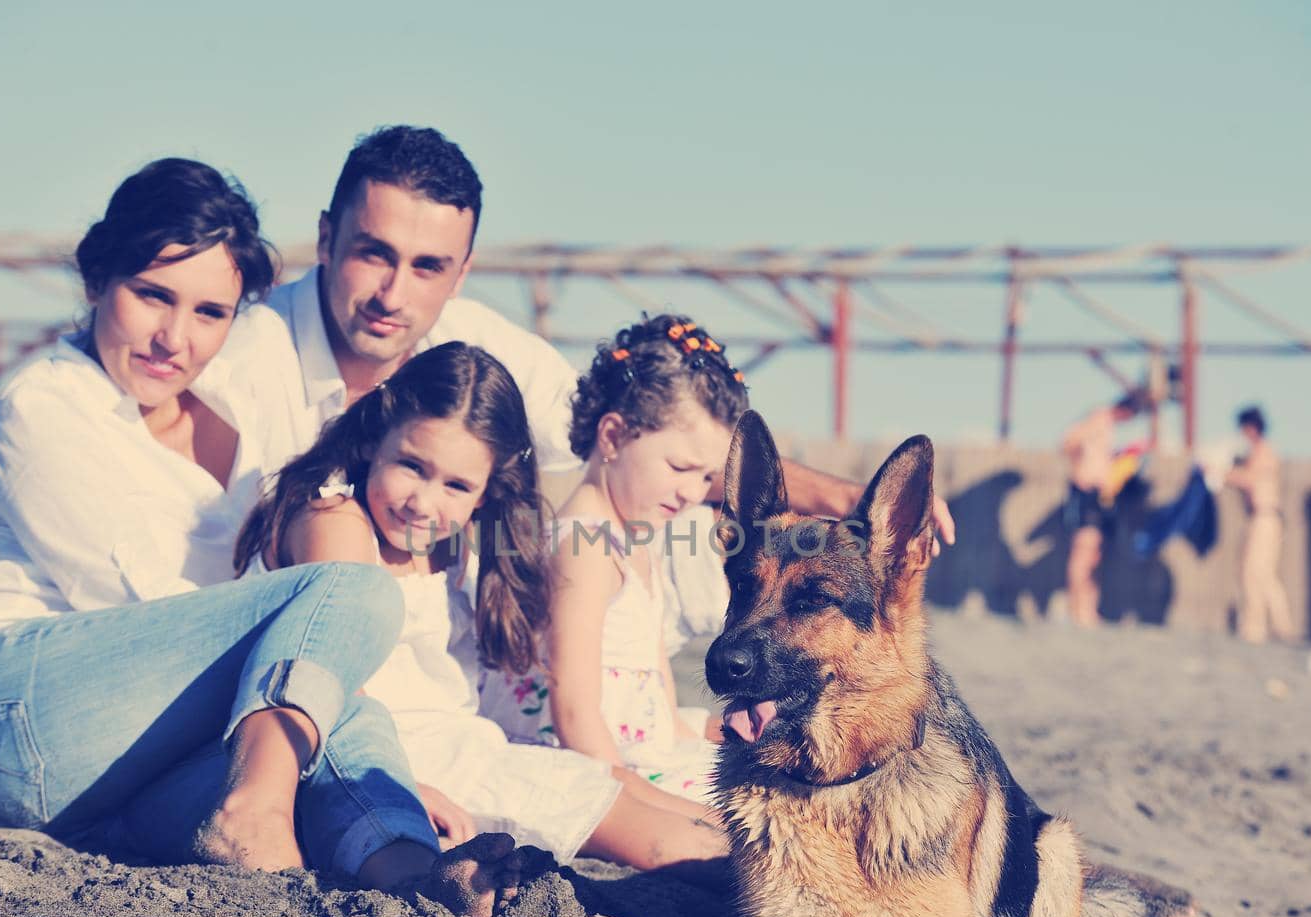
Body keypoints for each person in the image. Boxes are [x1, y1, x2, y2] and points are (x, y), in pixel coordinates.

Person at [0, 159, 529, 917]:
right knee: (347, 602)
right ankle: (256, 808)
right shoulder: (45, 411)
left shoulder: (234, 406)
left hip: (109, 777)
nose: (173, 338)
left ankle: (415, 876)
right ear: (98, 278)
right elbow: (155, 601)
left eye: (210, 312)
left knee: (347, 721)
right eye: (152, 294)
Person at [218, 124, 953, 651]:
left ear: (463, 269)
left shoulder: (476, 340)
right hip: (298, 651)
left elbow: (632, 429)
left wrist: (835, 496)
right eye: (373, 254)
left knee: (645, 499)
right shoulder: (249, 358)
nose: (392, 292)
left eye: (427, 267)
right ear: (324, 240)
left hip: (454, 652)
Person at [235, 342, 730, 877]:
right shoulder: (337, 521)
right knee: (656, 839)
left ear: (486, 490)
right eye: (411, 465)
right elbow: (334, 685)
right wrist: (400, 786)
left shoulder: (451, 546)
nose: (424, 502)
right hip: (388, 760)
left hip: (470, 750)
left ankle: (797, 866)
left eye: (457, 486)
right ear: (376, 439)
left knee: (663, 810)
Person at [483, 315, 745, 800]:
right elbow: (575, 712)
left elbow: (657, 688)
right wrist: (647, 803)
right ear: (612, 437)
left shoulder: (637, 538)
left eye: (706, 478)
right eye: (680, 467)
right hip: (591, 764)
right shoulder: (583, 548)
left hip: (641, 754)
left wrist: (694, 741)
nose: (692, 492)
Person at [1059, 393, 1143, 626]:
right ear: (1126, 411)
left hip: (1098, 495)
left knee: (1094, 554)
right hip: (1087, 493)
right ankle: (1077, 610)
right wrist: (1081, 472)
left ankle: (1087, 609)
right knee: (1083, 553)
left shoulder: (1106, 424)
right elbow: (1068, 441)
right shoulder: (1099, 418)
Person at [1225, 405, 1294, 643]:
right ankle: (1280, 627)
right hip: (1261, 518)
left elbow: (1249, 479)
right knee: (1262, 574)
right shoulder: (1257, 452)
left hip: (1265, 518)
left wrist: (1223, 472)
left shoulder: (1263, 452)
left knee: (1255, 573)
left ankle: (1256, 629)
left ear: (1251, 427)